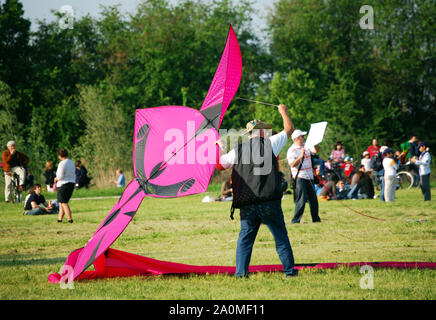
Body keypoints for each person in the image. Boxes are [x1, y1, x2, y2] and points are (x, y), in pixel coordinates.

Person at [216, 104, 298, 278]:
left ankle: (241, 274)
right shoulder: (271, 143)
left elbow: (220, 165)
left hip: (246, 202)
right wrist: (283, 111)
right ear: (262, 132)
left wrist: (221, 146)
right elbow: (289, 129)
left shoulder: (236, 150)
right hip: (268, 201)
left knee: (245, 240)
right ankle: (290, 273)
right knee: (280, 237)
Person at [287, 130, 321, 224]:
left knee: (313, 200)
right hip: (300, 177)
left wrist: (315, 143)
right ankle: (296, 220)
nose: (303, 137)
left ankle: (316, 219)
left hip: (310, 177)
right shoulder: (291, 150)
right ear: (297, 138)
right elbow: (292, 164)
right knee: (301, 200)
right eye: (302, 136)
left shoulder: (306, 145)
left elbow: (316, 150)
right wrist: (301, 156)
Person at [55, 148, 76, 223]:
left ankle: (69, 219)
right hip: (71, 183)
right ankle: (60, 219)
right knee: (61, 203)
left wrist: (56, 179)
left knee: (64, 203)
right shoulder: (71, 162)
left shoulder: (62, 163)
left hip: (63, 184)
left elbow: (60, 176)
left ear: (59, 155)